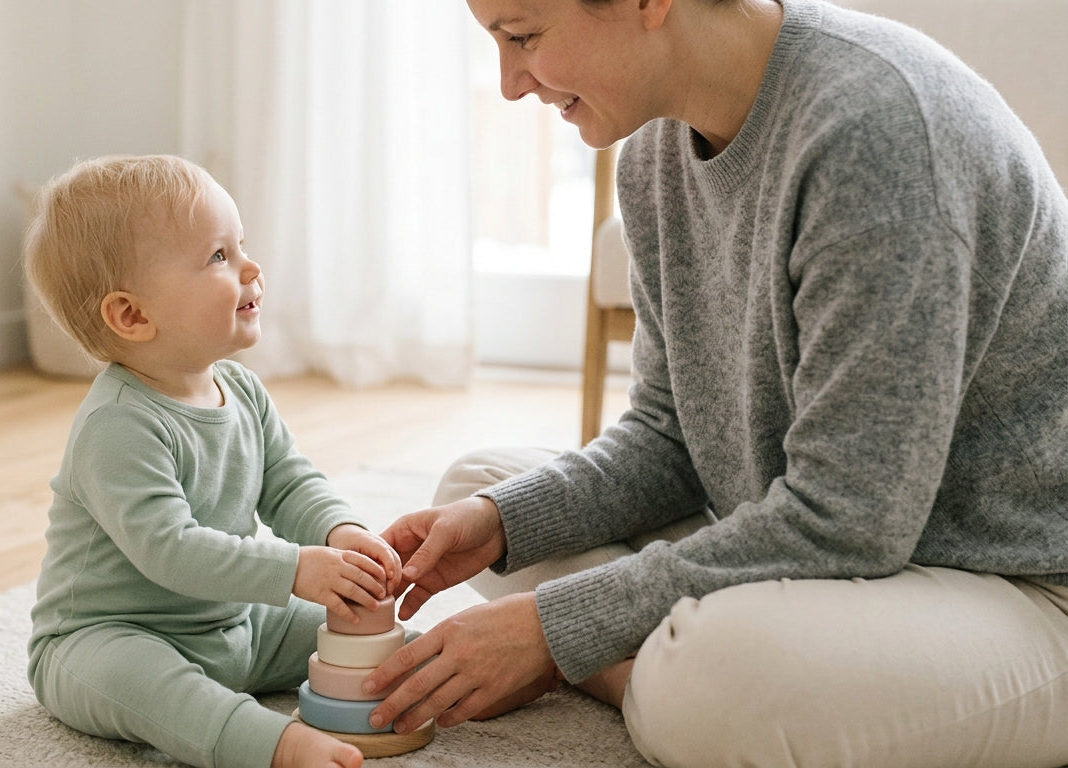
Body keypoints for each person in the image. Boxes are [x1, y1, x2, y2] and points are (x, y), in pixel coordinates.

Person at [363, 0, 1068, 765]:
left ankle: (652, 673)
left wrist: (554, 629)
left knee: (711, 686)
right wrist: (502, 522)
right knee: (477, 491)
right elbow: (670, 436)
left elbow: (849, 519)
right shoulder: (654, 152)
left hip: (1019, 583)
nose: (506, 84)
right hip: (836, 545)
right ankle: (651, 661)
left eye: (523, 36)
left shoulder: (879, 132)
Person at [23, 154, 403, 768]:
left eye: (241, 244)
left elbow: (287, 481)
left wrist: (340, 532)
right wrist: (296, 568)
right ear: (133, 315)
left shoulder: (241, 389)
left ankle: (434, 670)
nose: (251, 266)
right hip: (108, 638)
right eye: (218, 257)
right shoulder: (117, 423)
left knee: (359, 629)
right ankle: (272, 745)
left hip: (235, 624)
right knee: (159, 690)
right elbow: (169, 548)